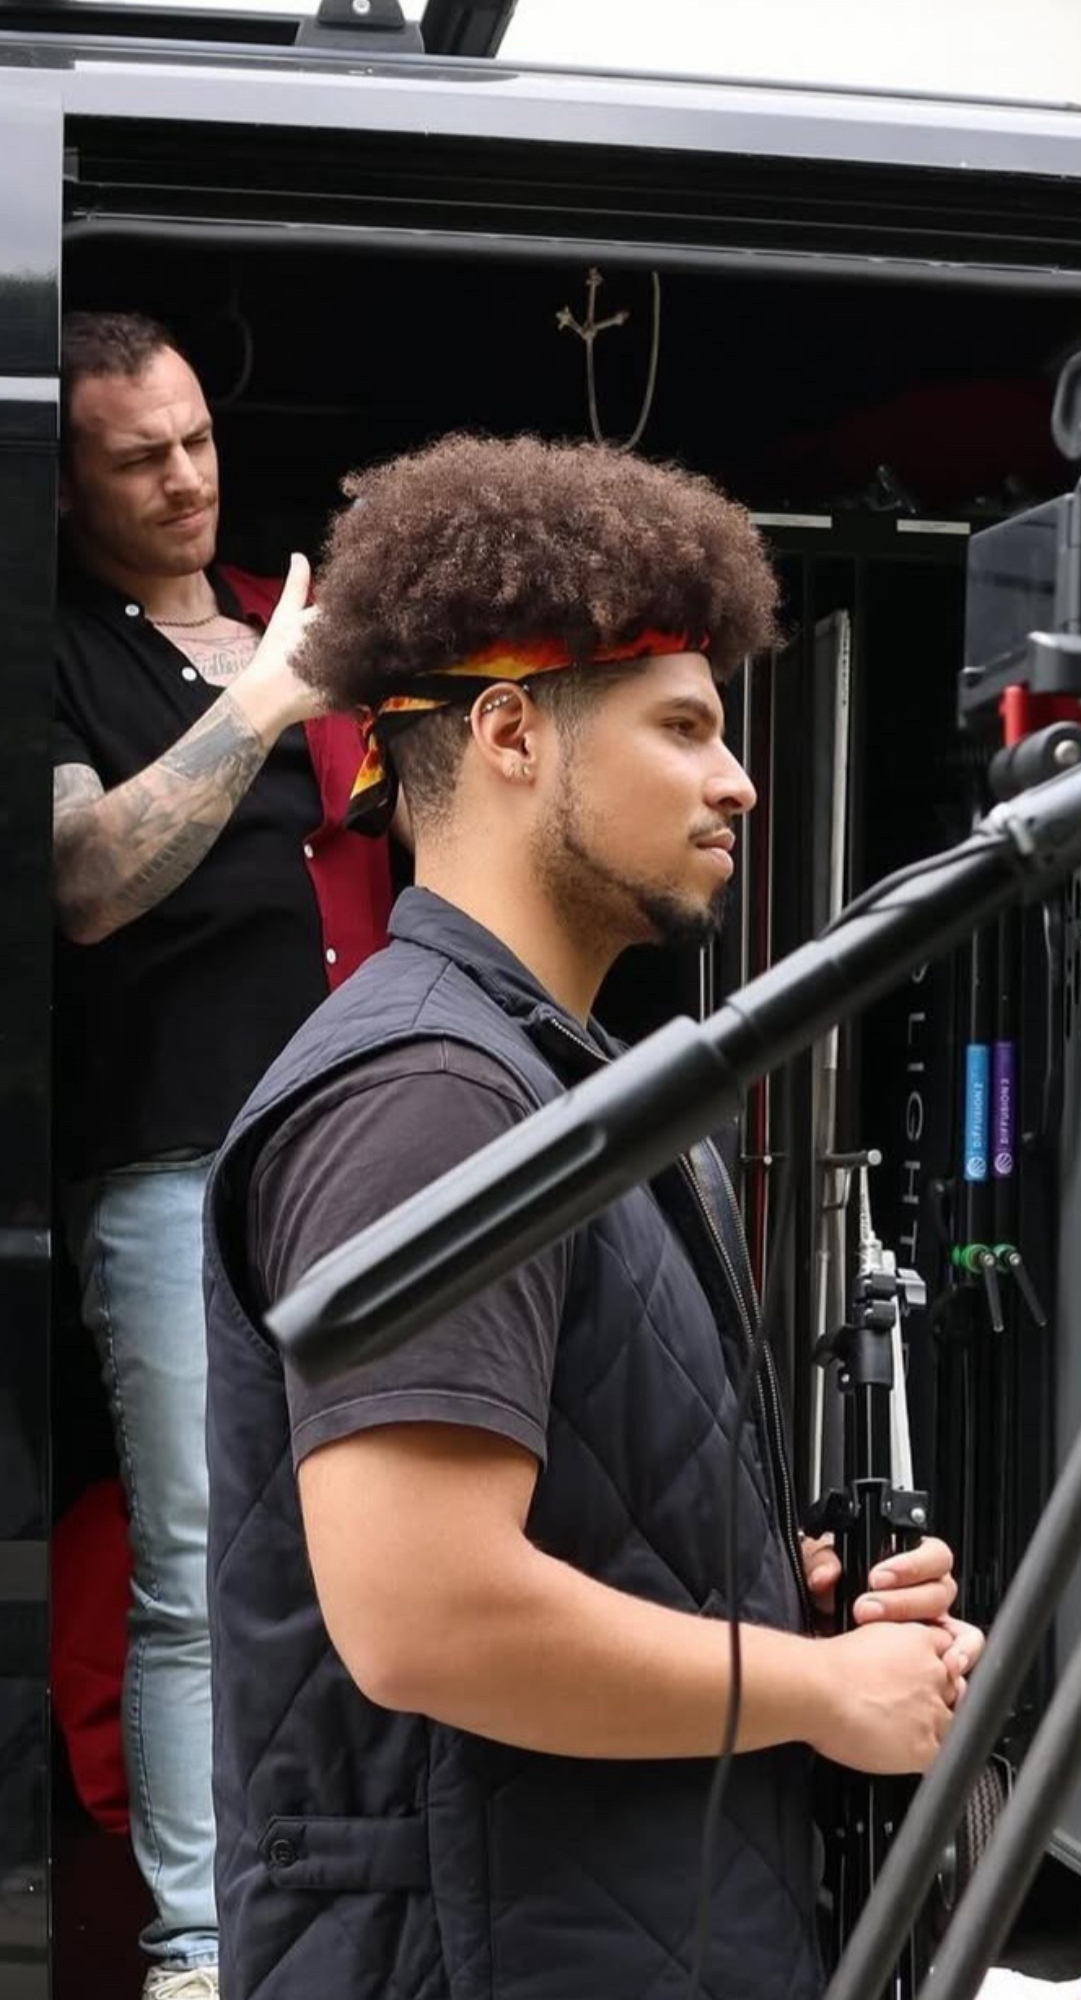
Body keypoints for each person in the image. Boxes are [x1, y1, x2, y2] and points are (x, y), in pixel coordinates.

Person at [202, 432, 982, 2000]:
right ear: (510, 734)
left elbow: (570, 1514)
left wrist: (773, 1589)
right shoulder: (429, 1096)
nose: (737, 777)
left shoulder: (567, 1086)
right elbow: (429, 1614)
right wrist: (815, 1693)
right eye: (684, 726)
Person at [52, 311, 392, 2000]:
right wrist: (262, 702)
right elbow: (88, 879)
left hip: (343, 1155)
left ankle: (335, 1918)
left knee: (371, 1544)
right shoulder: (52, 642)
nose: (186, 477)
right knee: (195, 1573)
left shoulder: (291, 611)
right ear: (63, 480)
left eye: (194, 438)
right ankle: (199, 1958)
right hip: (171, 1164)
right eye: (138, 456)